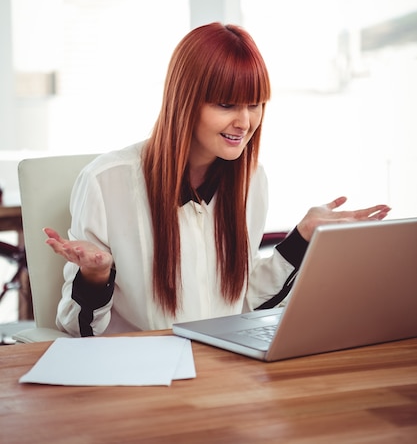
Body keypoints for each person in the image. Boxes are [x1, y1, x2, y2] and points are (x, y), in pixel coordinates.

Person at [45, 23, 391, 337]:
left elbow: (242, 304)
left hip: (222, 369)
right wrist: (96, 276)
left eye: (255, 104)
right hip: (140, 376)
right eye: (227, 104)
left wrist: (301, 238)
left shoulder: (252, 180)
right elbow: (78, 328)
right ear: (185, 102)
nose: (245, 122)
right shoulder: (105, 183)